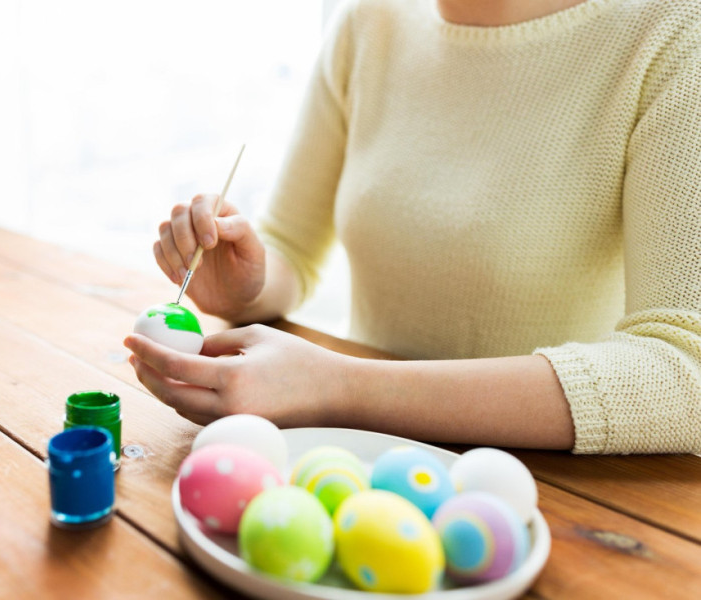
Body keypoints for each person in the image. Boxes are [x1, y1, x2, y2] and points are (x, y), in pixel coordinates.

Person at [124, 0, 701, 454]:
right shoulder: (368, 23)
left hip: (554, 494)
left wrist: (339, 388)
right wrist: (247, 284)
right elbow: (292, 249)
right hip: (358, 457)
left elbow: (686, 373)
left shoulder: (669, 32)